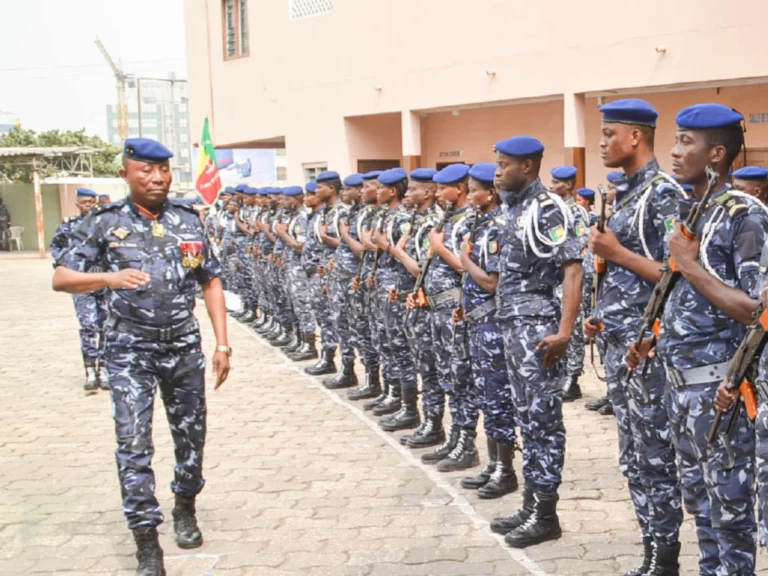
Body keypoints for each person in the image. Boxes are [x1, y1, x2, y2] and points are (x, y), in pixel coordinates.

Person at [52, 138, 231, 576]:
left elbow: (211, 281)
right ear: (126, 174)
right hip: (129, 349)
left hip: (182, 345)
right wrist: (109, 277)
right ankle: (146, 540)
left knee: (191, 437)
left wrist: (222, 343)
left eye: (163, 170)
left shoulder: (189, 221)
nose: (156, 179)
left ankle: (185, 505)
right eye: (145, 171)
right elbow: (62, 278)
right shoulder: (102, 222)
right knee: (133, 443)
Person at [629, 103, 767, 575]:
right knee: (701, 506)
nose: (674, 150)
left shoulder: (744, 215)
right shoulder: (694, 212)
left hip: (722, 392)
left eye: (687, 142)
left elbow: (758, 311)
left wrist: (688, 264)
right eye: (676, 139)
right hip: (680, 387)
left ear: (717, 153)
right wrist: (654, 334)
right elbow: (689, 298)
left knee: (729, 512)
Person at [584, 98, 685, 576]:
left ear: (636, 137)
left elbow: (678, 275)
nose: (602, 143)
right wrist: (601, 314)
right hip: (622, 347)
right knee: (634, 457)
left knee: (654, 457)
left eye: (608, 135)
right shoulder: (626, 193)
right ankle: (651, 553)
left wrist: (616, 252)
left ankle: (664, 559)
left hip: (649, 351)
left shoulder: (663, 194)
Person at [489, 136, 582, 549]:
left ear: (527, 167)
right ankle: (530, 505)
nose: (496, 173)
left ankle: (546, 514)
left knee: (544, 421)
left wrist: (564, 332)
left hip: (538, 330)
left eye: (503, 165)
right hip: (513, 326)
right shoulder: (515, 208)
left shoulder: (546, 208)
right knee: (527, 418)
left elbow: (573, 268)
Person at [413, 163, 480, 472]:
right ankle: (454, 437)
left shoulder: (468, 222)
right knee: (447, 375)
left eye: (443, 189)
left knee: (461, 377)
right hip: (437, 309)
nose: (438, 194)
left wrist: (438, 248)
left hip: (455, 310)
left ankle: (467, 442)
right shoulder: (447, 219)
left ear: (460, 190)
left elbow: (465, 267)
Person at [456, 162, 518, 499]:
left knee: (497, 397)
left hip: (492, 324)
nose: (468, 196)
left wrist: (464, 260)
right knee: (486, 394)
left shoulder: (494, 228)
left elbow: (492, 283)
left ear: (490, 193)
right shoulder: (480, 225)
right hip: (478, 322)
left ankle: (506, 471)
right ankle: (495, 465)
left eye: (473, 189)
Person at [370, 168, 420, 429]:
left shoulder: (402, 219)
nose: (376, 192)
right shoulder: (385, 216)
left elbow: (407, 258)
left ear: (392, 191)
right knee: (387, 343)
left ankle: (409, 407)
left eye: (380, 188)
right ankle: (393, 394)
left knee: (400, 347)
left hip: (399, 291)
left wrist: (382, 244)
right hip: (384, 288)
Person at [50, 188, 109, 393]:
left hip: (103, 282)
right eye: (85, 202)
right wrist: (63, 266)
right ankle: (90, 369)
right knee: (88, 325)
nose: (89, 205)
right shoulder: (70, 225)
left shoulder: (103, 224)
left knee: (106, 326)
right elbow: (56, 246)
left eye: (92, 202)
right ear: (77, 204)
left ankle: (103, 369)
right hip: (81, 282)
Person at [550, 165, 589, 401]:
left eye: (557, 183)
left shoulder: (577, 211)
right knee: (559, 324)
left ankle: (573, 378)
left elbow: (583, 240)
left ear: (568, 185)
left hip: (572, 275)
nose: (552, 186)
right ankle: (562, 372)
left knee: (573, 327)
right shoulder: (554, 211)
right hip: (555, 276)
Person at [316, 172, 358, 389]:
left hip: (346, 276)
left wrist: (326, 238)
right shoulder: (327, 211)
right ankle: (343, 366)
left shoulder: (342, 212)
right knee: (336, 321)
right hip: (334, 274)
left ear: (331, 188)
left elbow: (344, 243)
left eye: (319, 187)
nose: (315, 192)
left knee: (345, 323)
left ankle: (349, 369)